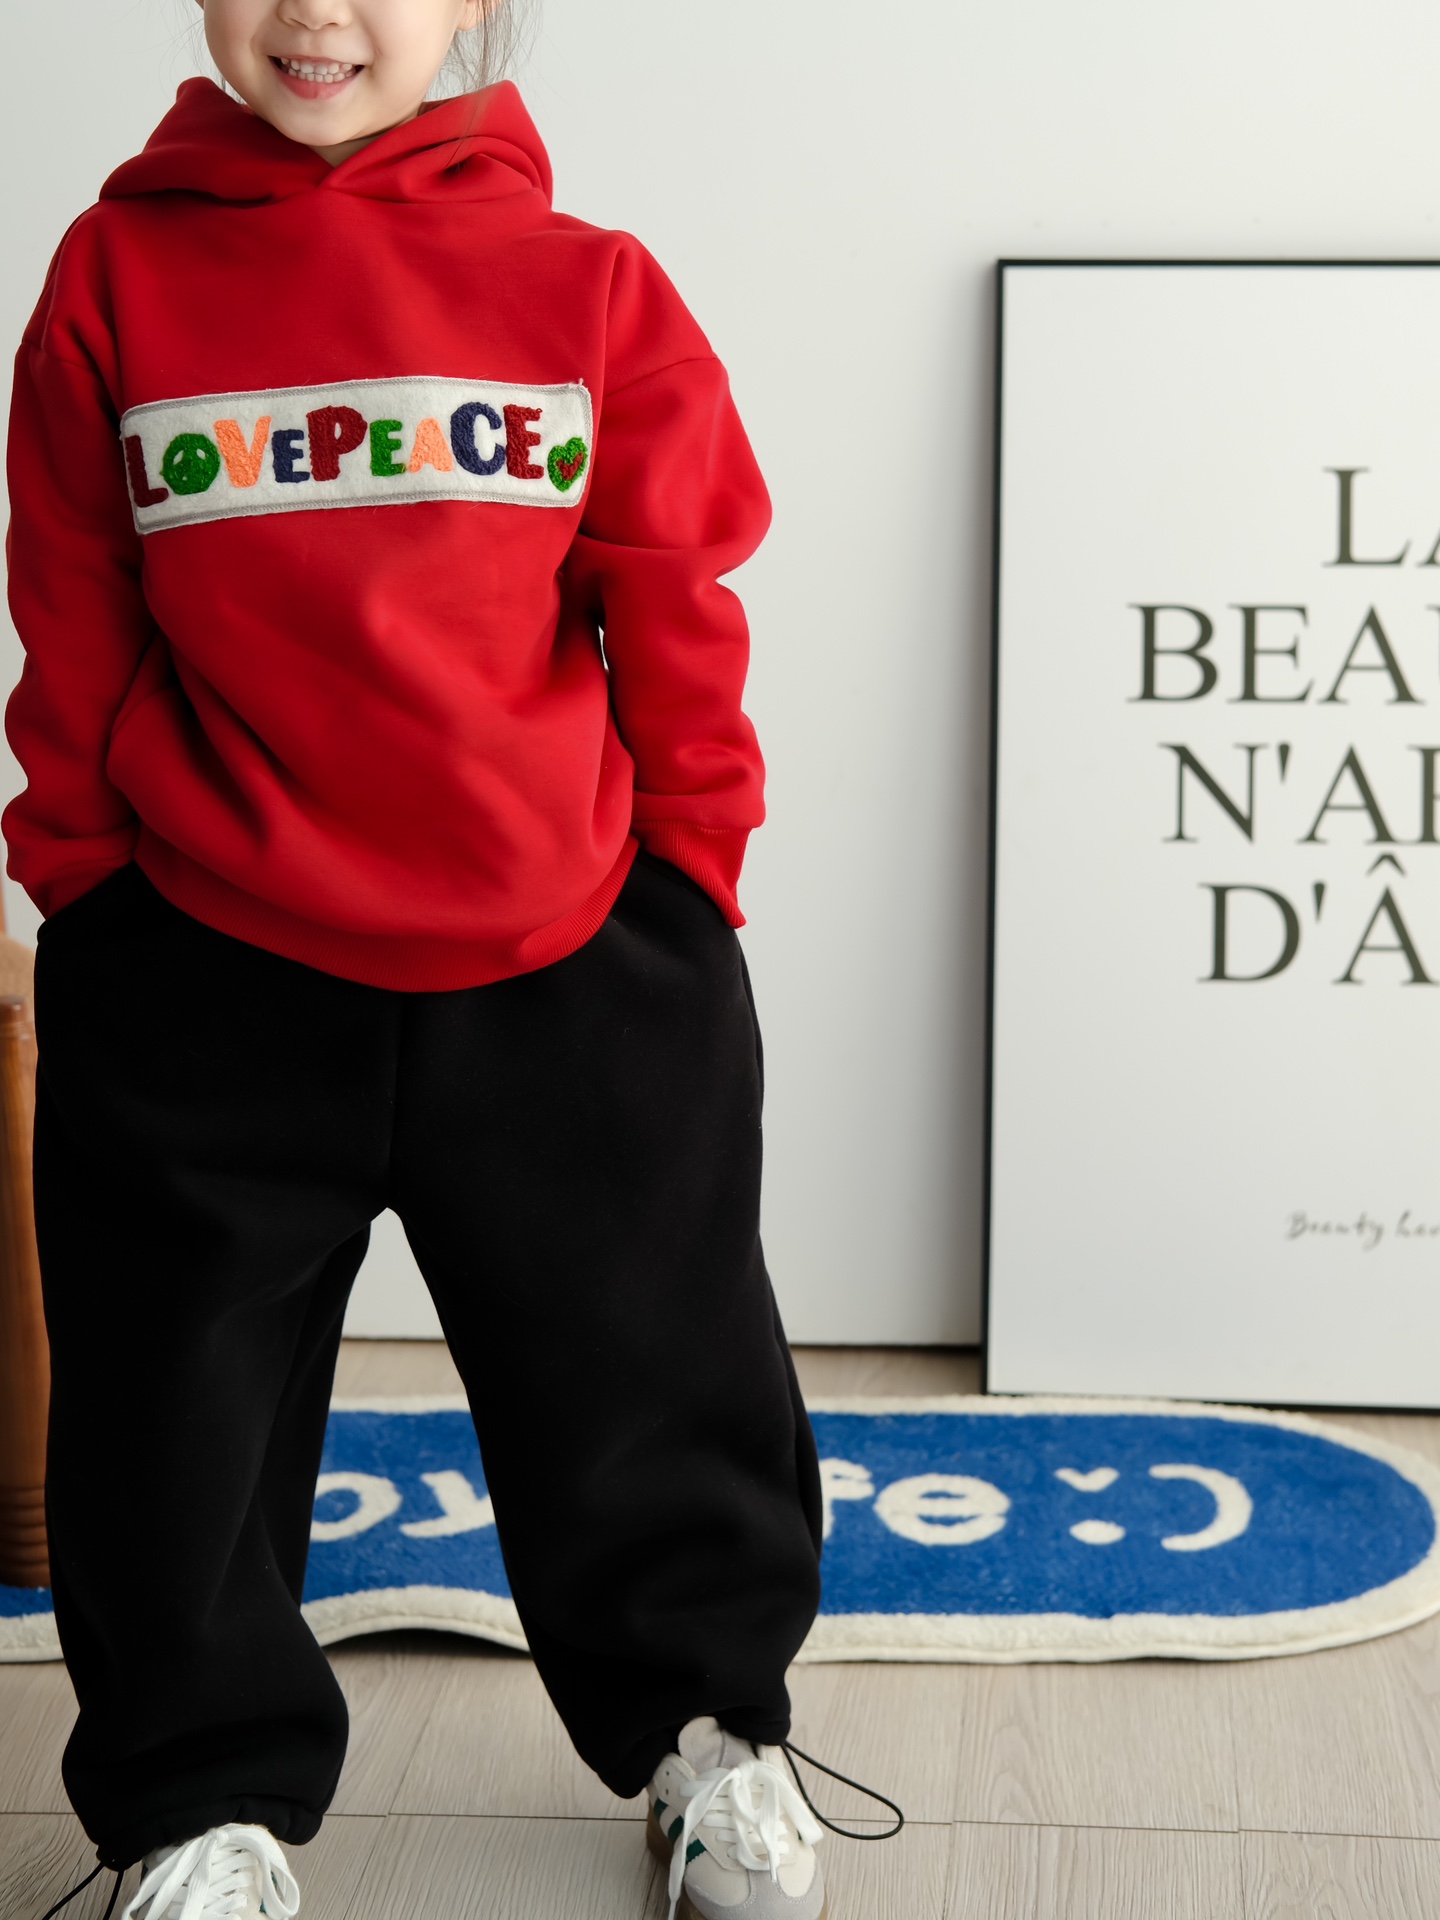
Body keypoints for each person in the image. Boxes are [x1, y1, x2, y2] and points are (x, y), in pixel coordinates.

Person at [9, 2, 838, 1915]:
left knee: (652, 1367)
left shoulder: (589, 287)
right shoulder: (114, 273)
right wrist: (84, 886)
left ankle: (707, 1735)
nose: (317, 12)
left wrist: (689, 877)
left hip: (567, 955)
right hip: (207, 957)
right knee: (172, 1418)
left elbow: (672, 601)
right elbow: (69, 594)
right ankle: (196, 1810)